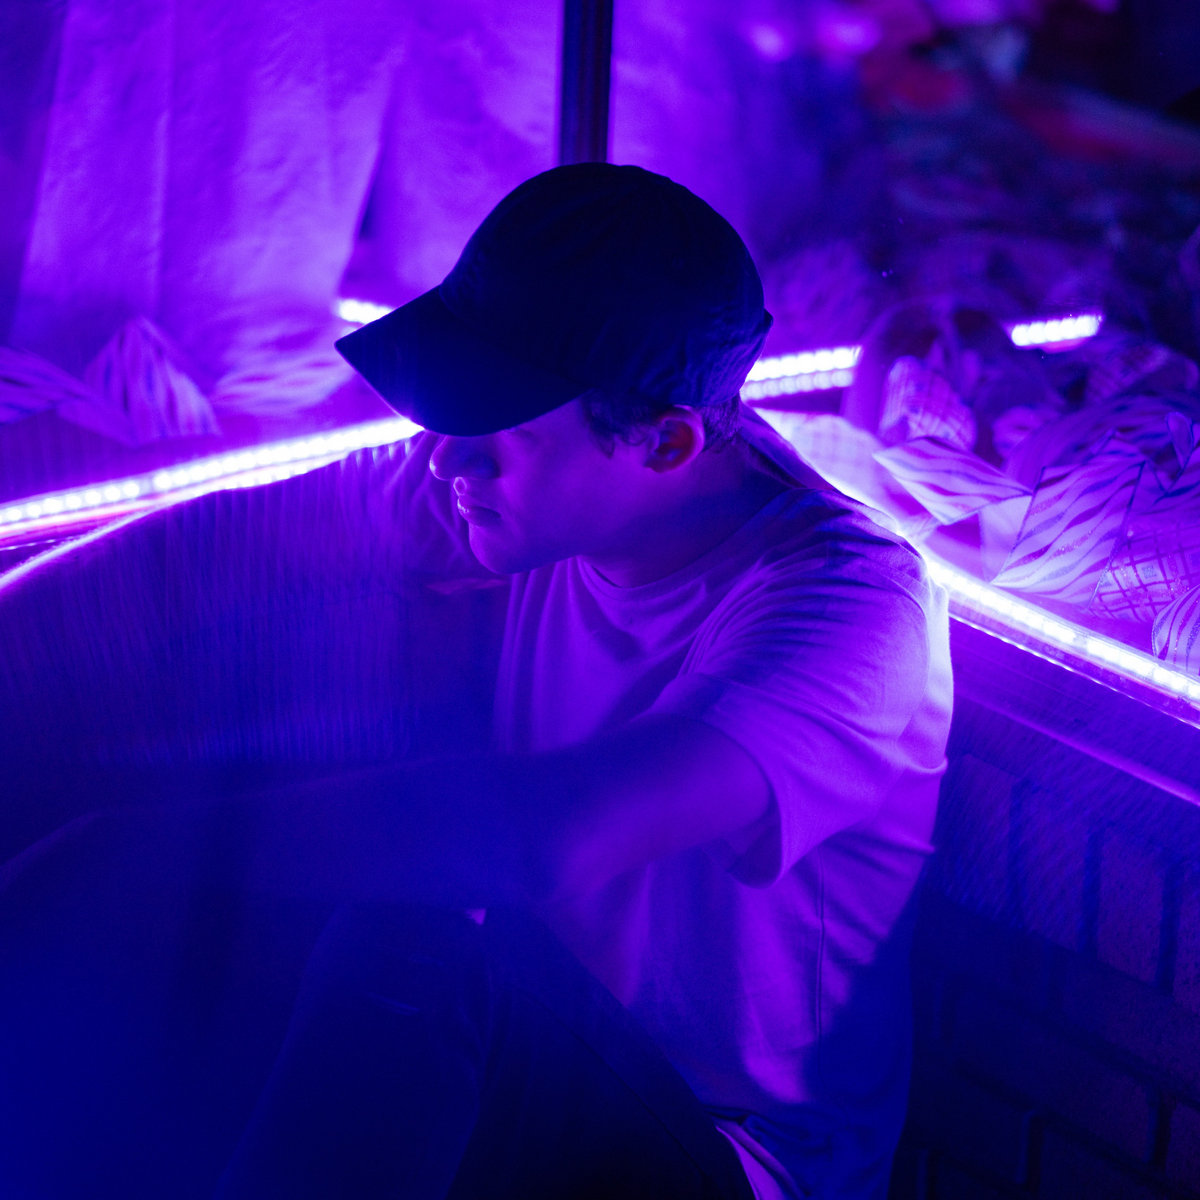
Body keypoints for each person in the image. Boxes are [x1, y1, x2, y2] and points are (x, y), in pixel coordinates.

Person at [3, 163, 951, 1200]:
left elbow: (556, 838)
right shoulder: (512, 494)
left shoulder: (851, 604)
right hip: (533, 1071)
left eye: (504, 430)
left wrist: (155, 847)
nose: (448, 463)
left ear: (666, 443)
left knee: (404, 943)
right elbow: (194, 565)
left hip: (730, 1154)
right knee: (220, 873)